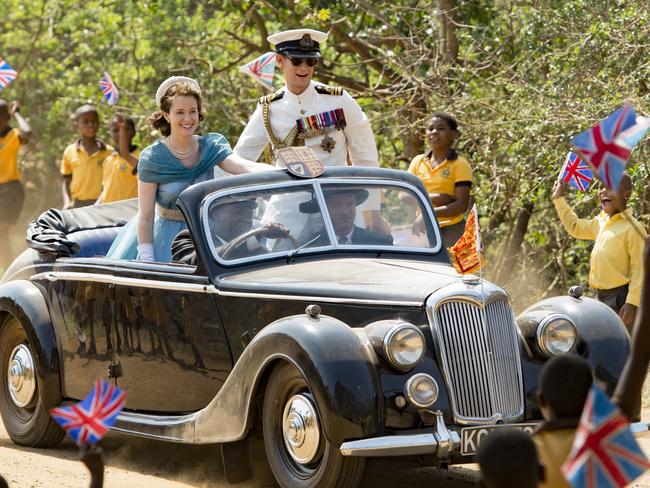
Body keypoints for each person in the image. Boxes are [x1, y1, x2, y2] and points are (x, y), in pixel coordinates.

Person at [233, 28, 389, 234]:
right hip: (289, 210)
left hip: (337, 207)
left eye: (311, 61)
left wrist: (373, 212)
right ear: (280, 61)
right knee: (278, 260)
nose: (304, 67)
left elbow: (365, 157)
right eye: (296, 61)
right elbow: (240, 158)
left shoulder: (338, 100)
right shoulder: (268, 109)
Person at [106, 76, 271, 262]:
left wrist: (287, 171)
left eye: (193, 111)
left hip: (204, 235)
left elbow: (245, 167)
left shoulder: (211, 146)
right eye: (180, 112)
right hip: (164, 240)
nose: (187, 118)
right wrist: (147, 257)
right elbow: (145, 217)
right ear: (167, 115)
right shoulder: (152, 157)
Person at [553, 173, 647, 328]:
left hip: (621, 299)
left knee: (621, 346)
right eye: (600, 186)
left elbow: (639, 269)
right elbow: (575, 227)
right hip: (598, 297)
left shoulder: (634, 228)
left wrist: (631, 303)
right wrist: (559, 199)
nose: (603, 191)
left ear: (626, 195)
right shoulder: (601, 221)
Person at [408, 112, 473, 248]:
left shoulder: (460, 164)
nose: (434, 132)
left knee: (449, 269)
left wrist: (427, 213)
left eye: (441, 128)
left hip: (452, 231)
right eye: (430, 128)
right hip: (422, 229)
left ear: (454, 135)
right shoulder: (418, 161)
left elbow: (461, 205)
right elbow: (404, 195)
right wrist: (437, 197)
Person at [171, 197, 292, 265]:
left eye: (249, 211)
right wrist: (253, 238)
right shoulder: (189, 238)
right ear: (215, 214)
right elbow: (196, 262)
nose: (245, 217)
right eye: (237, 211)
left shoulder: (256, 247)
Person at [533, 354, 593, 488]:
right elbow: (623, 402)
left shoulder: (531, 450)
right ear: (591, 398)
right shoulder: (603, 441)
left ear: (541, 400)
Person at [61, 104, 112, 209]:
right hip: (77, 204)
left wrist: (100, 201)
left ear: (99, 123)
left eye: (94, 121)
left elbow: (111, 181)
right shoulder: (70, 151)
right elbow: (66, 181)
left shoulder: (109, 152)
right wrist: (67, 202)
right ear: (76, 125)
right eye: (85, 121)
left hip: (103, 204)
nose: (91, 125)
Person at [0, 99, 31, 270]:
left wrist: (17, 113)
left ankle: (9, 271)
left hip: (10, 189)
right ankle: (9, 269)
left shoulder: (13, 135)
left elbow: (27, 132)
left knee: (1, 232)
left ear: (7, 117)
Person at [304, 188, 394, 246]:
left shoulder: (379, 242)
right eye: (337, 205)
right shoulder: (312, 246)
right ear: (325, 209)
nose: (345, 212)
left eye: (350, 204)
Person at [96, 113, 139, 204]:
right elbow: (105, 190)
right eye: (116, 130)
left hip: (130, 213)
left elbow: (125, 153)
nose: (121, 134)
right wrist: (95, 207)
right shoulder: (108, 160)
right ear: (110, 133)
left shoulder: (141, 157)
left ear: (134, 132)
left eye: (125, 129)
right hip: (109, 213)